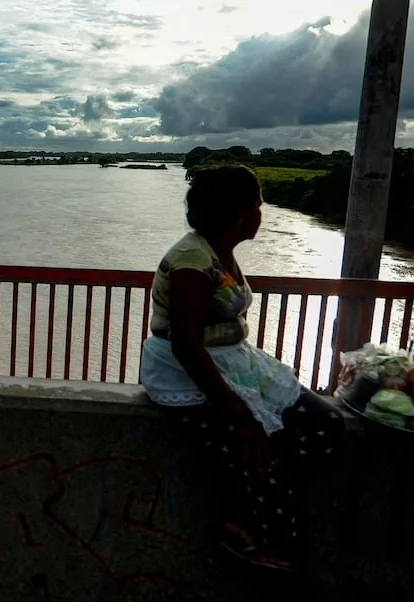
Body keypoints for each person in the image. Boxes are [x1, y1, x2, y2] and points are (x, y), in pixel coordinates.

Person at [140, 164, 343, 571]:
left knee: (327, 427)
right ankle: (252, 533)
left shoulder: (217, 249)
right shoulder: (191, 264)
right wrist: (243, 418)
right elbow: (186, 347)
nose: (261, 214)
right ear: (241, 213)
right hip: (188, 374)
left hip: (234, 362)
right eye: (258, 205)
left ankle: (254, 503)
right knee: (259, 453)